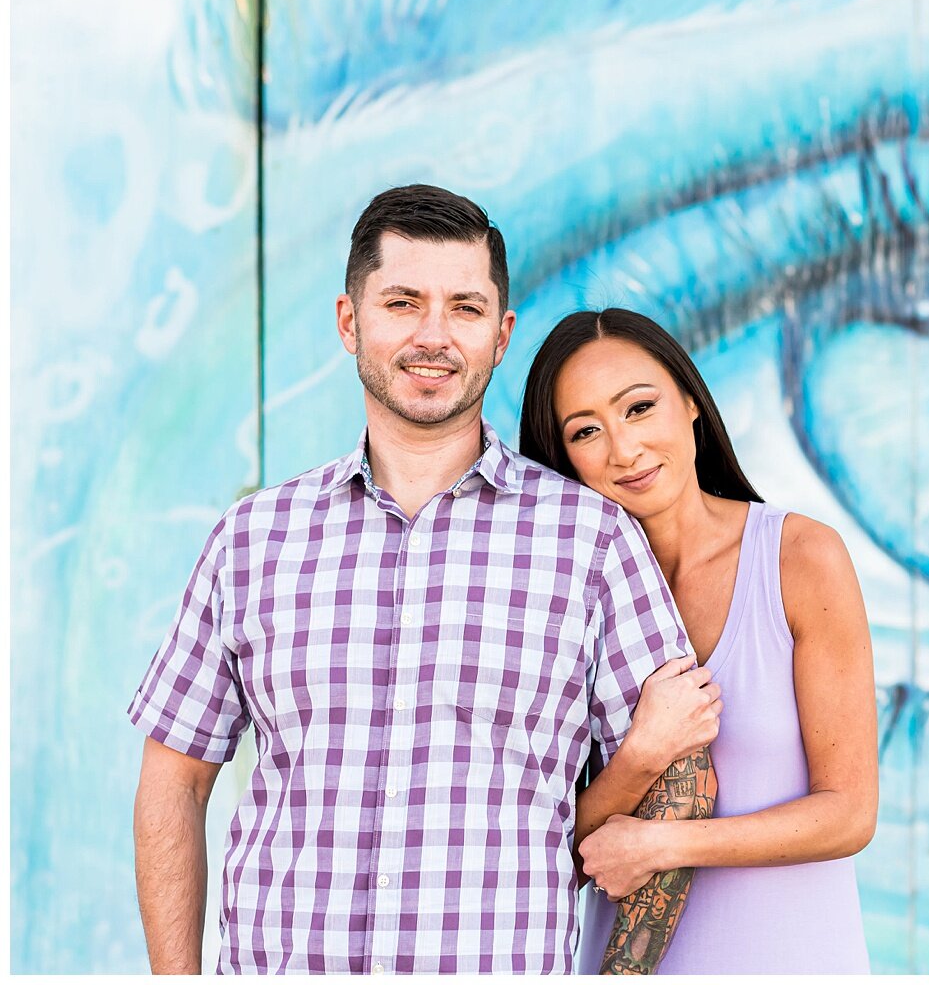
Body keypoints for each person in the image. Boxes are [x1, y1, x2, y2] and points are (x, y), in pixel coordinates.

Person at [127, 186, 720, 974]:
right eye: (403, 302)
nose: (433, 337)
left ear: (501, 335)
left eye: (465, 309)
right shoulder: (252, 540)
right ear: (350, 321)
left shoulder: (592, 540)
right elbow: (175, 781)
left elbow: (680, 782)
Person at [518, 307, 879, 974]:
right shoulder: (562, 599)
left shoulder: (800, 557)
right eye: (585, 431)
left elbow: (849, 814)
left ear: (690, 402)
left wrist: (664, 845)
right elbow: (554, 847)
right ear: (561, 455)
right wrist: (638, 760)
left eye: (638, 408)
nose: (623, 451)